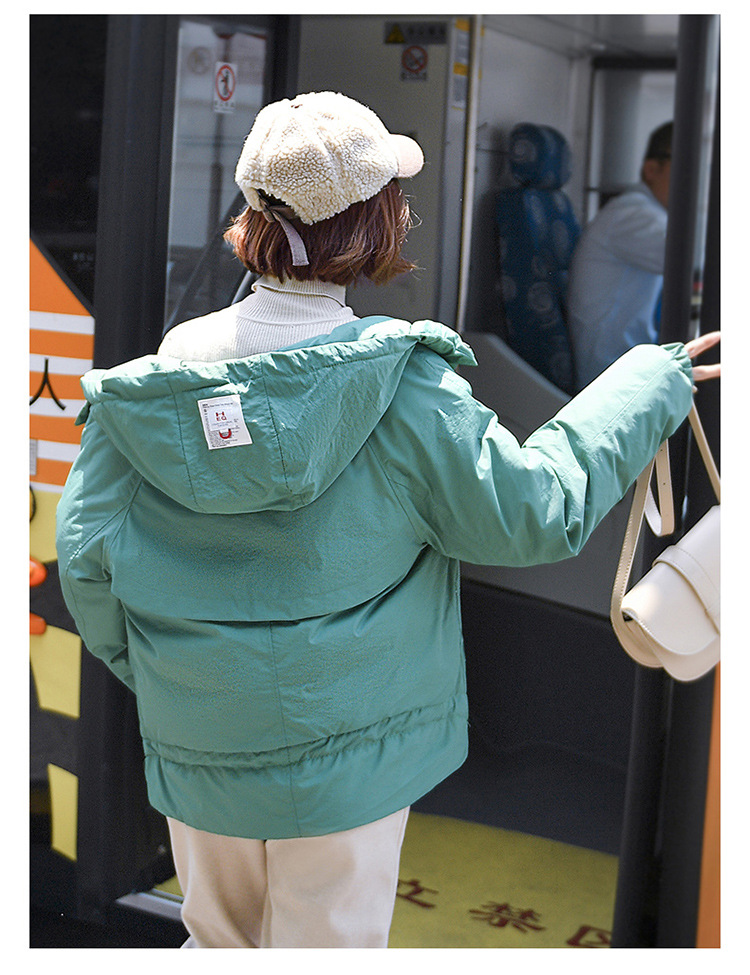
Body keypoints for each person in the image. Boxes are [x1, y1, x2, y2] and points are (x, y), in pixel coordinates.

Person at [55, 93, 719, 949]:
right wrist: (647, 383)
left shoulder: (150, 392)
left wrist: (176, 675)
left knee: (217, 941)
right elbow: (532, 514)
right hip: (352, 755)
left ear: (252, 215)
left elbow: (86, 559)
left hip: (201, 735)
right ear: (374, 223)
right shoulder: (403, 386)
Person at [566, 121, 673, 391]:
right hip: (611, 375)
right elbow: (695, 260)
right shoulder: (632, 215)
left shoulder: (647, 212)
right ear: (652, 169)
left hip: (627, 364)